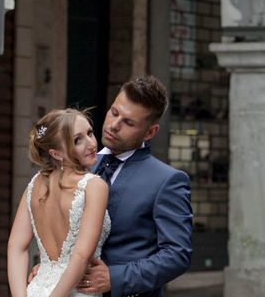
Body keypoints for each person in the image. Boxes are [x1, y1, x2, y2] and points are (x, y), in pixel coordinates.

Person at [78, 75, 193, 297]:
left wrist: (116, 277)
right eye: (114, 112)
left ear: (150, 132)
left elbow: (177, 255)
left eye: (128, 122)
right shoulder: (81, 164)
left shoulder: (168, 181)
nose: (114, 125)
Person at [8, 108, 111, 297]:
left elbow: (16, 246)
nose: (91, 143)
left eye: (89, 133)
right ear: (56, 154)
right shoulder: (94, 186)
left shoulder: (34, 184)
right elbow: (80, 256)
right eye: (78, 140)